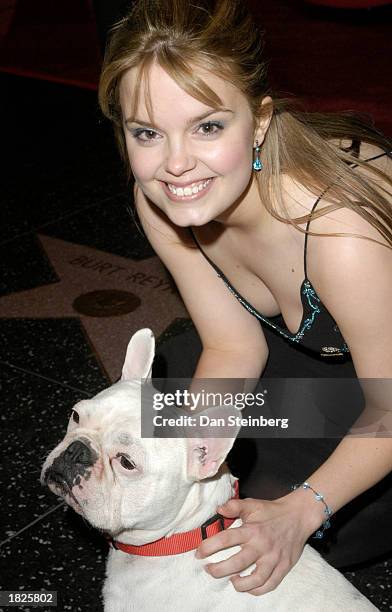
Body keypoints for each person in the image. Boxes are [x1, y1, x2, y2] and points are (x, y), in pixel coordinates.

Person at [98, 0, 392, 597]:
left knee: (290, 510)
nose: (176, 164)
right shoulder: (162, 198)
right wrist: (191, 472)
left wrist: (304, 509)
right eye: (147, 133)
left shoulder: (338, 231)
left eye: (208, 126)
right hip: (325, 374)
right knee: (179, 391)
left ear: (258, 122)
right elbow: (232, 343)